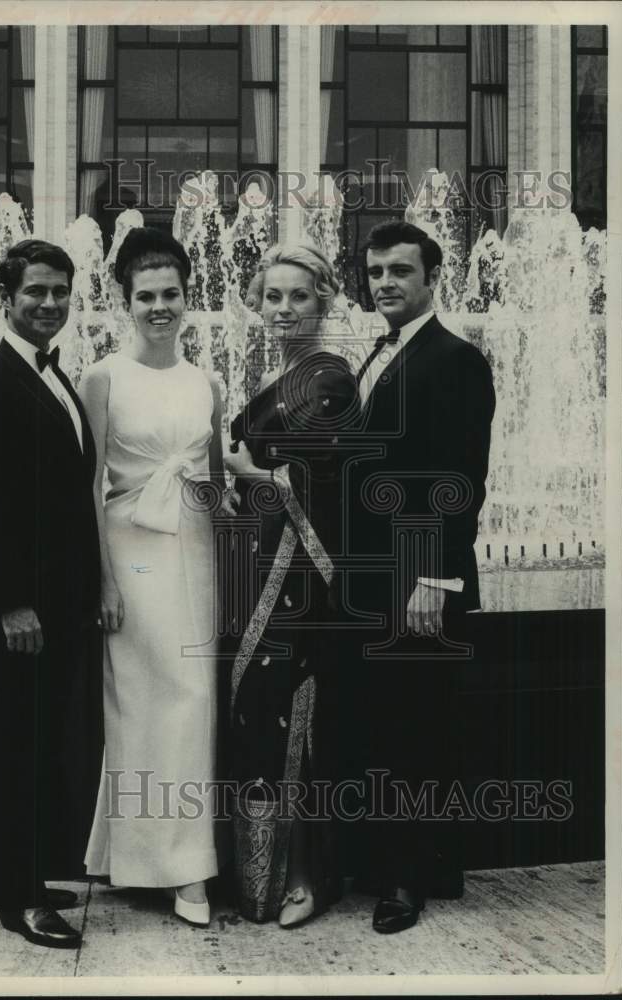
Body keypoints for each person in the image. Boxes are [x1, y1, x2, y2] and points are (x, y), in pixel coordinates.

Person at [333, 220, 496, 933]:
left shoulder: (452, 358)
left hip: (417, 580)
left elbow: (458, 478)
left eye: (400, 271)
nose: (385, 284)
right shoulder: (381, 351)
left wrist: (434, 579)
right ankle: (411, 863)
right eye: (375, 273)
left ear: (433, 278)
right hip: (374, 578)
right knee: (388, 722)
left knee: (414, 730)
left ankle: (407, 880)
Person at [0, 239, 103, 949]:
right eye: (35, 291)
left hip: (59, 604)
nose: (48, 304)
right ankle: (21, 898)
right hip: (22, 611)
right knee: (21, 746)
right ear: (5, 298)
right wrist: (12, 603)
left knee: (30, 739)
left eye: (59, 292)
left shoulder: (52, 378)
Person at [80, 227, 234, 927]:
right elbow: (87, 487)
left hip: (193, 548)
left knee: (195, 696)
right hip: (129, 550)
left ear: (187, 296)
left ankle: (186, 867)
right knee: (138, 703)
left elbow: (218, 480)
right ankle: (148, 859)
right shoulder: (103, 376)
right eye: (146, 296)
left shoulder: (208, 381)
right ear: (125, 301)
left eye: (171, 294)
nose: (160, 307)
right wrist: (103, 581)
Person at [223, 243, 359, 927]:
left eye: (297, 297)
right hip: (259, 572)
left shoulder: (328, 379)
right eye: (271, 296)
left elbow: (322, 479)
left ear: (323, 301)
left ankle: (306, 875)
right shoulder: (276, 377)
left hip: (304, 580)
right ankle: (260, 874)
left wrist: (247, 478)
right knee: (262, 713)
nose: (282, 309)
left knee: (297, 719)